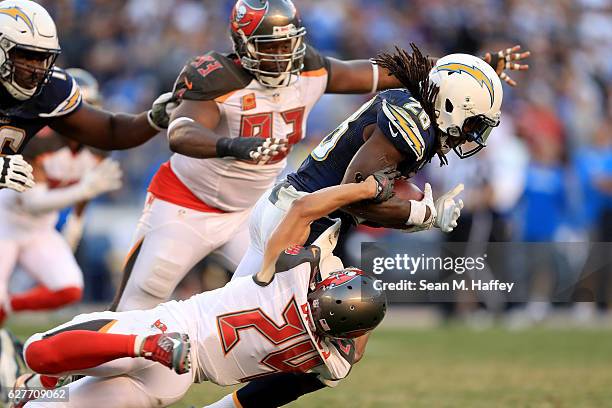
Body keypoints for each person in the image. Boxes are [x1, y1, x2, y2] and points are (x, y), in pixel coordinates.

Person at [112, 0, 528, 312]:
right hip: (192, 203)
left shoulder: (309, 69)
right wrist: (232, 145)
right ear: (243, 43)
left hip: (261, 207)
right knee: (144, 305)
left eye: (288, 43)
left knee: (253, 319)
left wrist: (464, 71)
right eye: (271, 47)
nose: (284, 56)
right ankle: (69, 371)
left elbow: (388, 71)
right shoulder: (215, 73)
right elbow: (181, 131)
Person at [14, 171, 392, 408]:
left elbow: (304, 209)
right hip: (177, 380)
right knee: (36, 402)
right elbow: (286, 387)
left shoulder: (290, 275)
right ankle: (38, 389)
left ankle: (129, 351)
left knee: (36, 351)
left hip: (167, 333)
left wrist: (362, 189)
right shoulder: (330, 361)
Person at [0, 0, 214, 193]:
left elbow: (109, 130)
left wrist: (153, 119)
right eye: (27, 57)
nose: (36, 69)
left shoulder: (50, 91)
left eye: (43, 58)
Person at [0, 67, 123, 325]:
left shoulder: (98, 147)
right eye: (79, 107)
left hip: (40, 229)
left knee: (68, 288)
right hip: (6, 223)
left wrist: (75, 226)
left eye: (90, 107)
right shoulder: (39, 139)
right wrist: (84, 189)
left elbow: (87, 186)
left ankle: (8, 306)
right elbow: (32, 202)